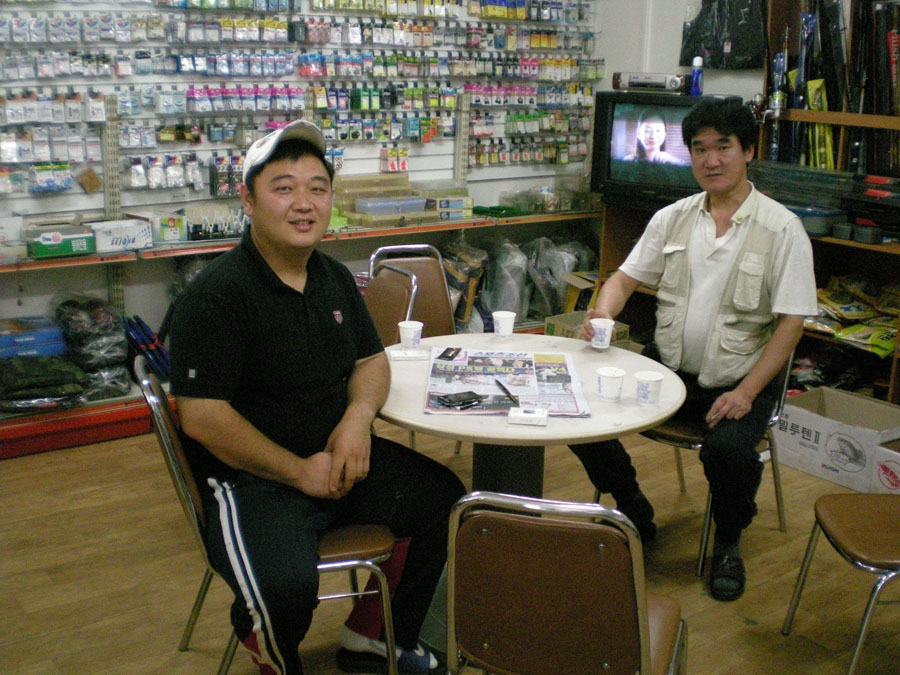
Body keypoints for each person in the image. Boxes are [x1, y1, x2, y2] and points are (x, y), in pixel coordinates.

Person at [168, 119, 465, 675]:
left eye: (317, 188)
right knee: (283, 590)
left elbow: (371, 361)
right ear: (248, 201)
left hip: (340, 465)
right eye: (284, 188)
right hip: (252, 481)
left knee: (445, 502)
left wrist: (357, 419)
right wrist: (297, 471)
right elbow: (202, 417)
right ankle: (276, 660)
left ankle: (374, 636)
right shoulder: (215, 297)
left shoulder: (331, 277)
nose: (304, 204)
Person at [570, 98, 817, 602]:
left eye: (724, 147)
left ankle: (728, 539)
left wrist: (748, 393)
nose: (712, 160)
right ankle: (631, 502)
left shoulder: (782, 229)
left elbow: (792, 323)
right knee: (577, 411)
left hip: (740, 380)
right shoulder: (673, 218)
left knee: (729, 453)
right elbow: (623, 278)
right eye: (700, 150)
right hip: (669, 373)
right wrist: (602, 314)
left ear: (748, 151)